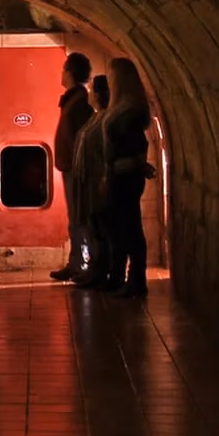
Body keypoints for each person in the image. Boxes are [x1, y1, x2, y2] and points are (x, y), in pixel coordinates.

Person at [103, 58, 152, 298]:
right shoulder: (128, 107)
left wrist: (129, 164)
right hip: (122, 173)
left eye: (112, 75)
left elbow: (135, 143)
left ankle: (136, 278)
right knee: (127, 225)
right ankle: (131, 277)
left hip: (124, 175)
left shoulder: (128, 110)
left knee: (130, 225)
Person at [51, 52, 94, 282]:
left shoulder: (79, 102)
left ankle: (82, 264)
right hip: (71, 167)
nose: (61, 73)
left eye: (64, 69)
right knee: (75, 216)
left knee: (79, 216)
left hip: (76, 169)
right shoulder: (73, 100)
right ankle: (76, 261)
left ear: (70, 72)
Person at [71, 75, 111, 290]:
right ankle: (95, 269)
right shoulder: (97, 118)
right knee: (94, 225)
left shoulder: (104, 119)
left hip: (97, 180)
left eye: (92, 89)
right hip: (89, 180)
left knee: (101, 228)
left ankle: (102, 271)